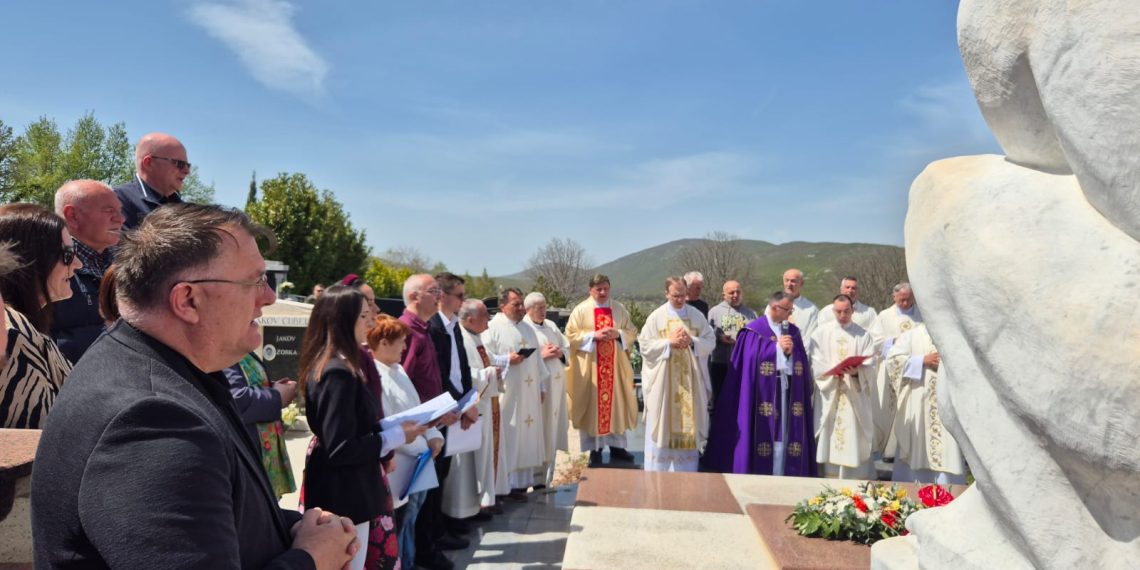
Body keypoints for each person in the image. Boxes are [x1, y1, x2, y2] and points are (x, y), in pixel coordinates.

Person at [32, 204, 358, 568]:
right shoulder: (152, 421)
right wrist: (312, 559)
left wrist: (302, 530)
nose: (267, 296)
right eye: (254, 281)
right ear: (188, 300)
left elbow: (216, 514)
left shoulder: (161, 369)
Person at [300, 285, 414, 570]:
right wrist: (396, 435)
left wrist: (390, 428)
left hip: (353, 488)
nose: (371, 322)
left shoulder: (345, 365)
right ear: (343, 320)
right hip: (344, 494)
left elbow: (355, 425)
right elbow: (341, 447)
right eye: (363, 316)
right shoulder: (335, 372)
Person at [704, 292, 815, 477]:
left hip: (786, 392)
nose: (790, 314)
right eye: (787, 310)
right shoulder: (753, 331)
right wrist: (778, 350)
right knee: (764, 434)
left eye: (791, 310)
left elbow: (801, 363)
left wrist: (789, 355)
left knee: (786, 434)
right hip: (760, 395)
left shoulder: (793, 332)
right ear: (774, 308)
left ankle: (785, 472)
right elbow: (750, 361)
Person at [397, 274, 464, 569]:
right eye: (433, 290)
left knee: (423, 500)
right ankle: (413, 558)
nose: (438, 295)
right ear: (414, 296)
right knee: (412, 506)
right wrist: (434, 417)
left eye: (439, 290)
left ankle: (423, 549)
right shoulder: (408, 331)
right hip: (418, 429)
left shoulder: (422, 329)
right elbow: (405, 385)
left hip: (430, 425)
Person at [368, 314, 444, 570]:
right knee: (401, 522)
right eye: (400, 342)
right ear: (383, 342)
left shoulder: (398, 370)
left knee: (412, 518)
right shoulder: (375, 374)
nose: (404, 347)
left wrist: (433, 436)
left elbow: (416, 408)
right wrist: (420, 442)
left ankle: (410, 561)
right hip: (400, 460)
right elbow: (388, 421)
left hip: (419, 457)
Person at [0, 204, 81, 429]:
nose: (78, 264)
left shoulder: (24, 328)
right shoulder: (12, 337)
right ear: (28, 259)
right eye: (67, 255)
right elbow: (40, 441)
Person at [637, 277, 715, 472]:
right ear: (666, 294)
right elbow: (644, 346)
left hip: (690, 384)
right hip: (664, 385)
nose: (680, 299)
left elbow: (710, 340)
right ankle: (658, 473)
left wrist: (693, 341)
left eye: (682, 295)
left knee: (688, 427)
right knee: (662, 423)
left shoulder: (696, 316)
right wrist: (668, 343)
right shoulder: (656, 317)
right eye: (675, 296)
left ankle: (686, 472)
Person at [564, 274, 639, 467]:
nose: (603, 292)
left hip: (614, 369)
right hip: (592, 369)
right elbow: (570, 336)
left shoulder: (619, 309)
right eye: (599, 289)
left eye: (606, 288)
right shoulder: (581, 310)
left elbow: (632, 332)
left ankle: (617, 447)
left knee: (616, 406)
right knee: (593, 408)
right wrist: (593, 336)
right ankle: (594, 450)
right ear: (591, 290)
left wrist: (618, 334)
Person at [483, 288, 549, 497]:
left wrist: (541, 387)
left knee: (525, 436)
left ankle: (521, 484)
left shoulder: (528, 329)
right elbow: (483, 357)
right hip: (507, 394)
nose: (521, 308)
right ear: (503, 305)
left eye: (522, 304)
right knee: (508, 436)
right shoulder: (492, 328)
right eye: (516, 304)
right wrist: (505, 360)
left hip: (529, 394)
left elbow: (538, 361)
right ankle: (503, 486)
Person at [429, 273, 481, 534]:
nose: (463, 301)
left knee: (444, 474)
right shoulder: (433, 327)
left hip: (456, 407)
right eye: (459, 296)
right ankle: (433, 537)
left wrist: (469, 399)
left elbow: (461, 368)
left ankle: (441, 529)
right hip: (441, 411)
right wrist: (457, 404)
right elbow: (439, 373)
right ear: (442, 296)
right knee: (434, 478)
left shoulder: (453, 326)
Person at [51, 180, 125, 362]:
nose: (121, 219)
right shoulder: (45, 268)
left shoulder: (129, 262)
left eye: (120, 210)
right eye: (109, 211)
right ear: (72, 216)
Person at [886, 323, 966, 485]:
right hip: (918, 402)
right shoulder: (911, 335)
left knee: (947, 450)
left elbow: (965, 362)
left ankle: (948, 489)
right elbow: (893, 361)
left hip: (946, 402)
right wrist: (921, 360)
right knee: (917, 444)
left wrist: (945, 365)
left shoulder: (952, 334)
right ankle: (912, 490)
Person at [807, 295, 877, 479]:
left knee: (852, 434)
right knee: (830, 435)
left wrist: (855, 373)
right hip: (830, 392)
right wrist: (832, 372)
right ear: (833, 311)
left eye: (846, 311)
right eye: (838, 311)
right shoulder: (820, 333)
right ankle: (828, 475)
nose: (842, 315)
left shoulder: (863, 335)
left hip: (853, 393)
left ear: (853, 311)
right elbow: (815, 362)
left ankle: (855, 477)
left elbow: (871, 365)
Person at [457, 299, 509, 515]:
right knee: (467, 466)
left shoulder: (477, 338)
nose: (489, 320)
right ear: (470, 319)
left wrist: (491, 372)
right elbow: (461, 374)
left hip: (486, 405)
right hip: (470, 409)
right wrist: (489, 373)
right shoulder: (461, 338)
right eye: (484, 315)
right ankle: (463, 510)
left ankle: (482, 502)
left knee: (484, 458)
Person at [223, 353, 298, 498]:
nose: (255, 328)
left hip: (262, 460)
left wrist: (274, 387)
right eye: (251, 327)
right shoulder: (225, 352)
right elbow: (236, 398)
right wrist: (277, 396)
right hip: (249, 462)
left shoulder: (243, 353)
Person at [868, 282, 923, 459]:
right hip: (891, 369)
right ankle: (888, 449)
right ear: (894, 298)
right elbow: (875, 341)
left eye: (908, 300)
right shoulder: (884, 316)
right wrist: (897, 341)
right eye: (901, 300)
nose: (905, 304)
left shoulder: (922, 316)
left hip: (916, 370)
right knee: (889, 409)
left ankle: (911, 446)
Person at [522, 292, 570, 487]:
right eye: (538, 308)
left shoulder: (550, 326)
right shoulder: (524, 329)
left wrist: (560, 353)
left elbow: (566, 347)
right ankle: (530, 479)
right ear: (528, 309)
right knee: (538, 431)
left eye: (544, 307)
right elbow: (521, 357)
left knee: (551, 431)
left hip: (556, 389)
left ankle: (545, 479)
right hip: (538, 390)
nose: (543, 311)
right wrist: (540, 355)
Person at [113, 132, 187, 230]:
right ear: (149, 163)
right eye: (179, 164)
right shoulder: (116, 200)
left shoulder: (185, 209)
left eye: (188, 165)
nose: (186, 171)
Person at [706, 280, 757, 411]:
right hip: (719, 363)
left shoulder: (751, 314)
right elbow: (707, 335)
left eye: (738, 292)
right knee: (718, 401)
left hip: (743, 365)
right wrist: (719, 337)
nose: (735, 295)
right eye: (731, 292)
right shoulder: (714, 312)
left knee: (740, 402)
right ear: (724, 295)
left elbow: (757, 337)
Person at [783, 269, 819, 341]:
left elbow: (810, 338)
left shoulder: (811, 310)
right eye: (787, 280)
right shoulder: (772, 307)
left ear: (801, 283)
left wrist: (797, 351)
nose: (789, 284)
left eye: (793, 281)